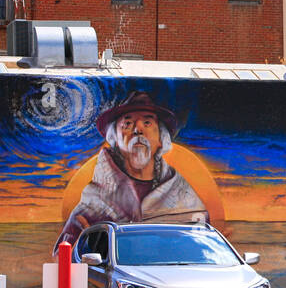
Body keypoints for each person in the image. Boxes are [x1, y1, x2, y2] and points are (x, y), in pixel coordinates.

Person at [56, 91, 208, 249]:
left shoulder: (183, 195)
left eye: (147, 123)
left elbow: (201, 247)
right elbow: (63, 255)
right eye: (127, 124)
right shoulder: (95, 200)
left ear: (161, 140)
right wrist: (86, 246)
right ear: (115, 139)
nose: (138, 130)